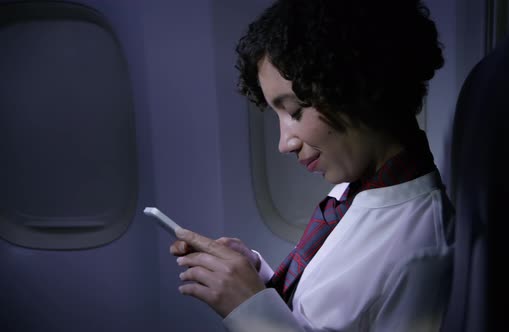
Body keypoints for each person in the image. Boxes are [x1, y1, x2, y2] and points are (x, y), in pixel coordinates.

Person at [170, 0, 454, 331]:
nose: (284, 143)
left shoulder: (421, 250)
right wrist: (252, 275)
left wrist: (250, 310)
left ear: (358, 87)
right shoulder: (353, 190)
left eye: (294, 111)